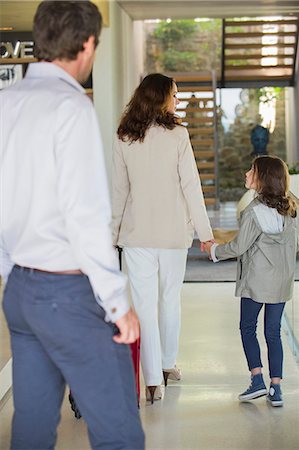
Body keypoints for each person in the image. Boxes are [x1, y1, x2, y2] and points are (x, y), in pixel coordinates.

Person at [0, 2, 145, 449]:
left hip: (21, 294)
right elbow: (85, 217)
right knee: (119, 432)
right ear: (86, 44)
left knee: (32, 428)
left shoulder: (5, 103)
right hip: (68, 295)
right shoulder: (70, 107)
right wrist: (118, 302)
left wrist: (10, 274)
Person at [111, 73, 214, 403]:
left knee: (144, 308)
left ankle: (152, 381)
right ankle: (167, 365)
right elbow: (191, 189)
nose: (177, 100)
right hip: (172, 235)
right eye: (174, 94)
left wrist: (110, 236)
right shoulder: (179, 136)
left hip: (136, 235)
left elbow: (118, 193)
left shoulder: (124, 136)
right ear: (160, 98)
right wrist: (206, 234)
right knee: (170, 299)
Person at [205, 155, 299, 407]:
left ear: (263, 178)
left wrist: (214, 251)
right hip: (281, 281)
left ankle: (257, 380)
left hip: (256, 282)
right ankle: (276, 388)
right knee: (273, 332)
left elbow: (238, 246)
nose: (246, 173)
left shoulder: (254, 212)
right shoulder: (292, 207)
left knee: (248, 328)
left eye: (252, 171)